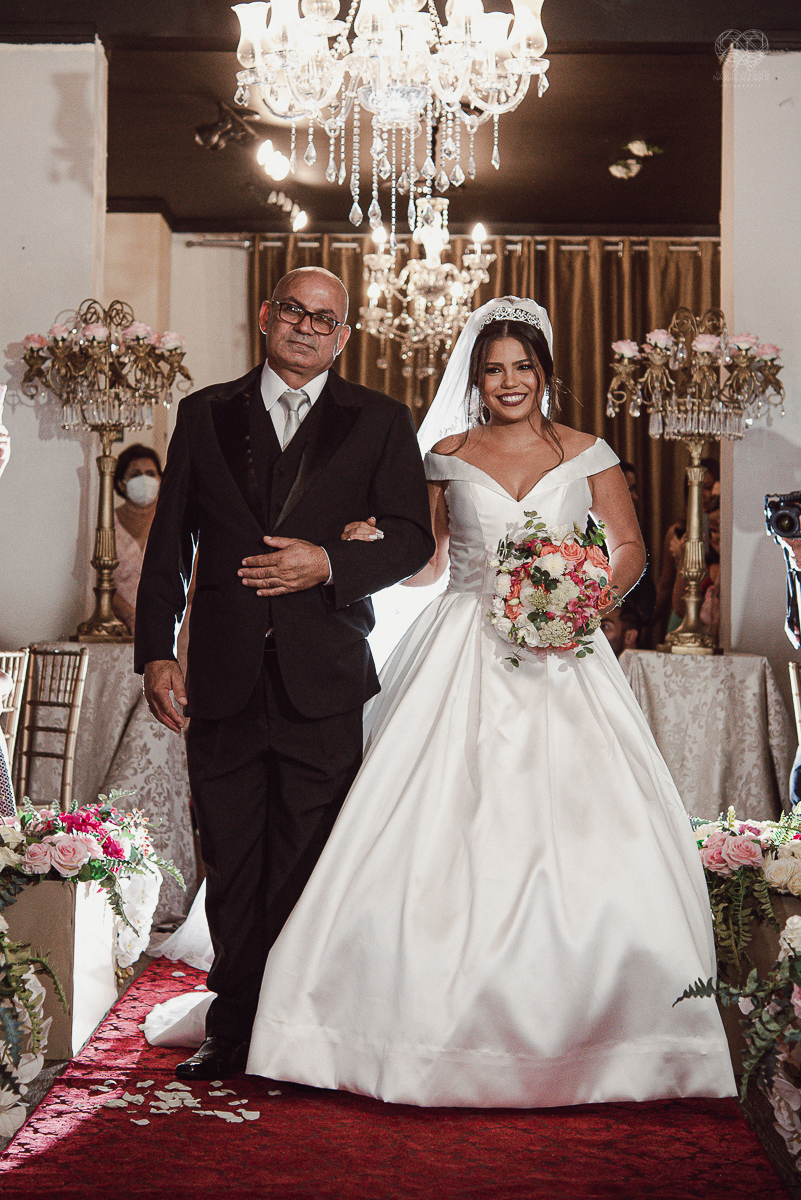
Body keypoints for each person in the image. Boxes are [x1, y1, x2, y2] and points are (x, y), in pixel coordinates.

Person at [146, 296, 734, 1106]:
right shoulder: (445, 455)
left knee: (583, 831)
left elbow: (627, 546)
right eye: (492, 369)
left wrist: (584, 597)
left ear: (544, 372)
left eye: (521, 367)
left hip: (565, 654)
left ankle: (598, 1020)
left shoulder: (588, 452)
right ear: (475, 379)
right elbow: (424, 563)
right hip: (462, 644)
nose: (507, 381)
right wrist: (370, 542)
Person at [135, 266, 435, 1082]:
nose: (306, 326)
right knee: (231, 856)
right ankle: (232, 1026)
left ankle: (295, 1029)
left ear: (345, 337)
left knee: (307, 858)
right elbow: (171, 542)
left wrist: (328, 563)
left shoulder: (379, 419)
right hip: (222, 677)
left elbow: (412, 539)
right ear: (266, 315)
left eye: (324, 318)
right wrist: (156, 650)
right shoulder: (205, 412)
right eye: (294, 311)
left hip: (325, 678)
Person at [112, 444, 163, 635]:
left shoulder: (174, 523)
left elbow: (192, 582)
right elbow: (97, 580)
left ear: (160, 479)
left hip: (168, 627)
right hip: (119, 629)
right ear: (121, 483)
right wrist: (130, 615)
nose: (144, 480)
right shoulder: (107, 525)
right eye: (135, 474)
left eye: (150, 474)